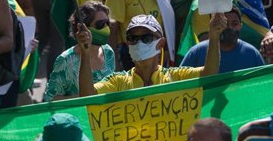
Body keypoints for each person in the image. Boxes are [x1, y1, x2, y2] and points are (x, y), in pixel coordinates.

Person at [80, 13, 225, 95]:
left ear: (161, 44)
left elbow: (210, 74)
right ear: (127, 43)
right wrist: (85, 54)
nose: (139, 43)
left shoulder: (175, 77)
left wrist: (214, 37)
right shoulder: (118, 82)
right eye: (133, 38)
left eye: (146, 38)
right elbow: (87, 94)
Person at [44, 1, 115, 101]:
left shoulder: (108, 52)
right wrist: (86, 97)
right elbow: (50, 99)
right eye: (100, 24)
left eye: (107, 23)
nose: (106, 28)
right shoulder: (66, 60)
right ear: (83, 29)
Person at [182, 7, 264, 73]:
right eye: (225, 23)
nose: (230, 27)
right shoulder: (196, 52)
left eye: (234, 23)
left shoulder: (252, 54)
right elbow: (179, 81)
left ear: (240, 26)